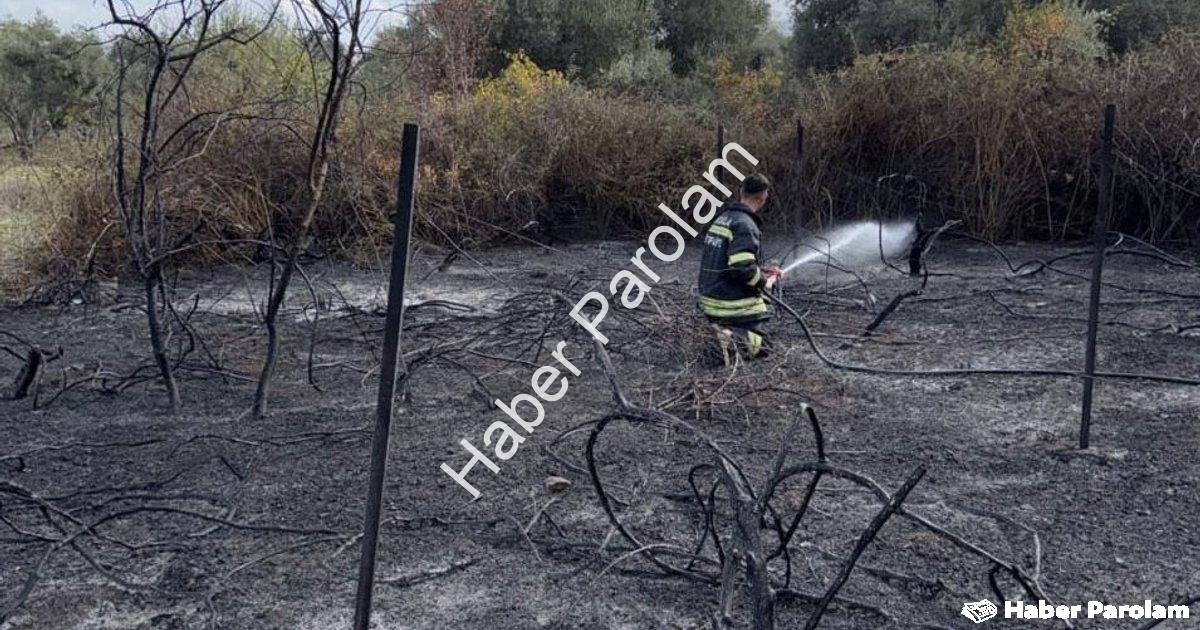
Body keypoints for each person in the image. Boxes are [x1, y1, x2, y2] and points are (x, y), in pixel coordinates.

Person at [697, 173, 782, 363]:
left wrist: (762, 270)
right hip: (730, 304)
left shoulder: (723, 219)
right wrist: (764, 282)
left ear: (741, 192)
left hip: (711, 300)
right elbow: (741, 268)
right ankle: (729, 338)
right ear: (763, 197)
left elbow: (729, 261)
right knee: (765, 347)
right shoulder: (745, 225)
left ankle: (721, 333)